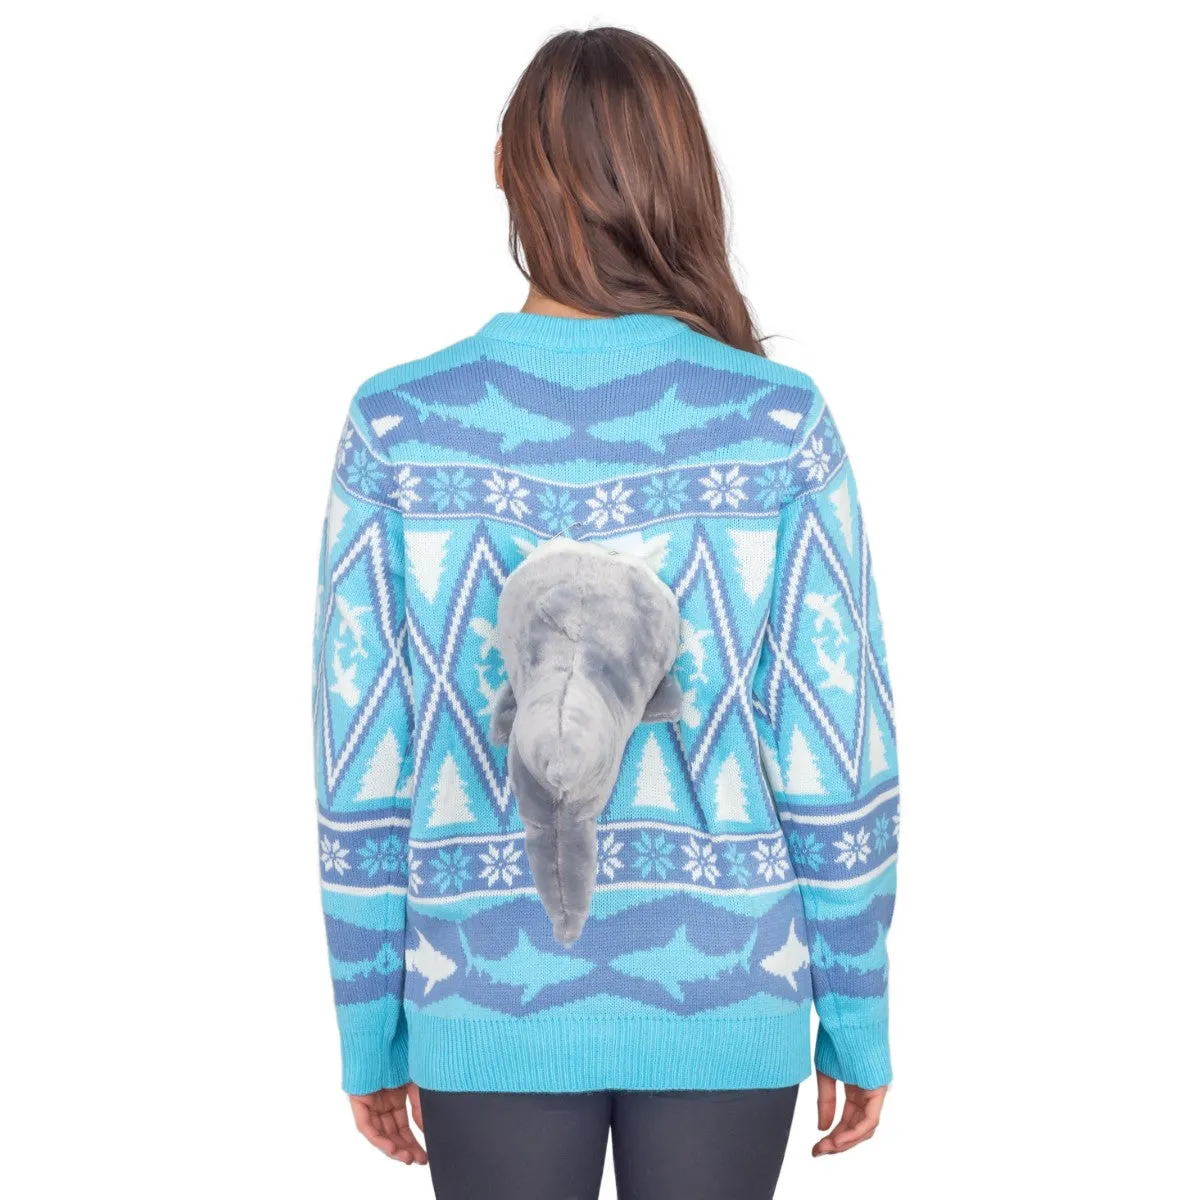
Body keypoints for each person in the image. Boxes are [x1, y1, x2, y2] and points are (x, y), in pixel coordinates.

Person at [311, 26, 899, 1200]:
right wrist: (857, 1006)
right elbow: (837, 744)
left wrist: (371, 1021)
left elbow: (361, 757)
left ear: (505, 170)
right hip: (731, 987)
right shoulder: (776, 424)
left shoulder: (400, 428)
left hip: (481, 992)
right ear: (683, 175)